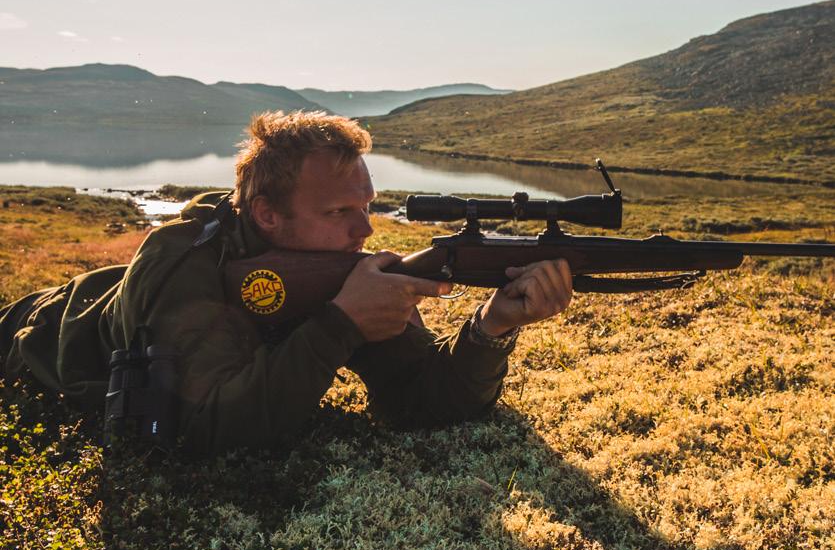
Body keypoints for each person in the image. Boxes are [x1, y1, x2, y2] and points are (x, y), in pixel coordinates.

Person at [0, 112, 572, 455]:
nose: (365, 228)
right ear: (268, 214)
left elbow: (423, 402)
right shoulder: (182, 263)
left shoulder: (341, 268)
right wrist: (341, 325)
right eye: (338, 212)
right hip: (38, 330)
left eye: (368, 205)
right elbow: (200, 430)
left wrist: (492, 326)